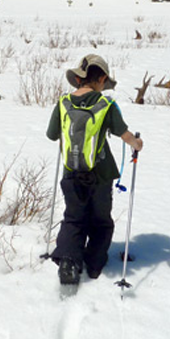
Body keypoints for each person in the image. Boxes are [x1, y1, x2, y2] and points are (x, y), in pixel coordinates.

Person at [46, 54, 143, 285]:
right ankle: (95, 264)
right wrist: (137, 144)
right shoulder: (106, 105)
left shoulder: (63, 103)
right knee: (100, 219)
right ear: (101, 78)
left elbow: (51, 135)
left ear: (79, 79)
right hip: (101, 174)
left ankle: (69, 262)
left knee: (73, 218)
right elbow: (124, 134)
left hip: (71, 171)